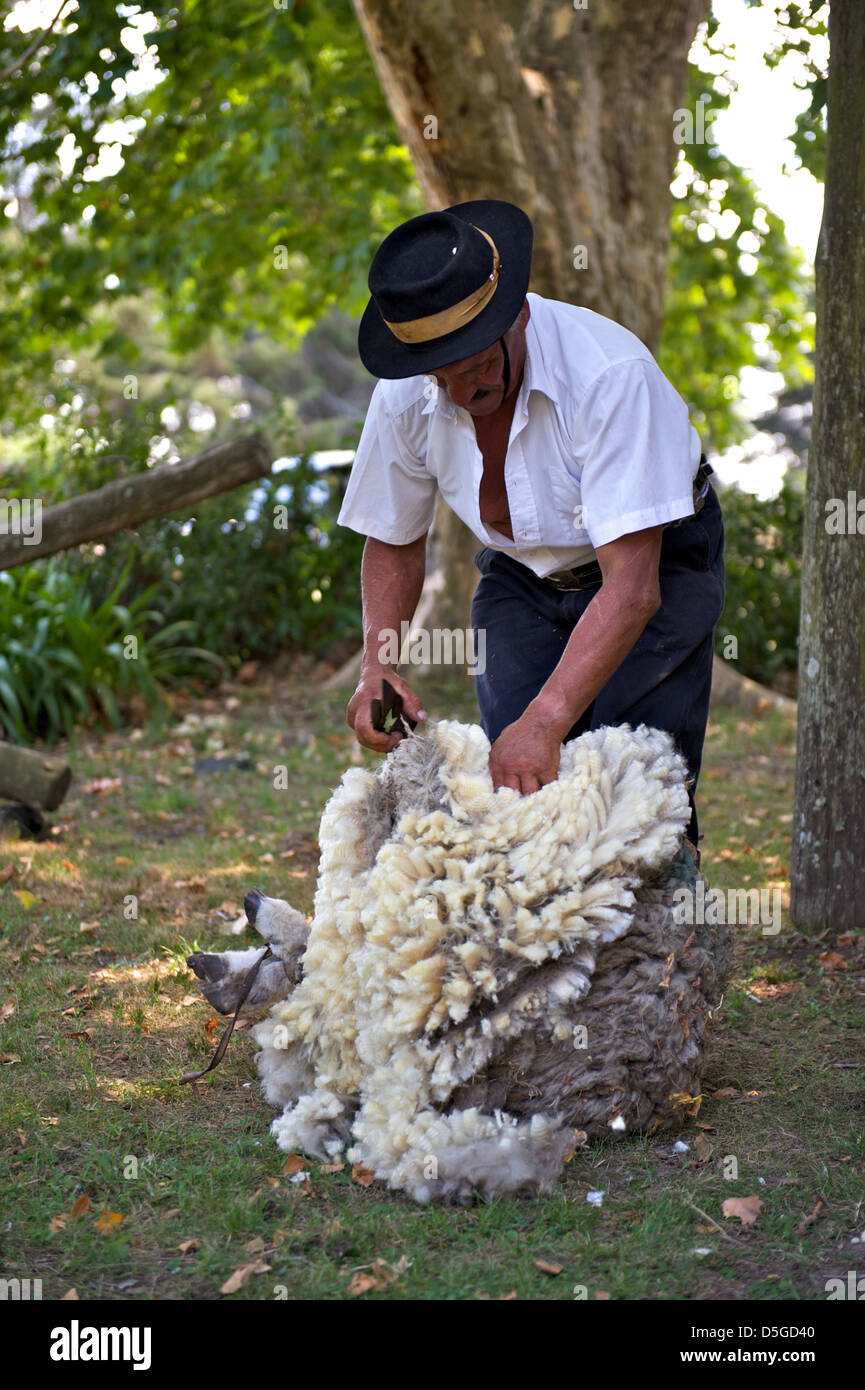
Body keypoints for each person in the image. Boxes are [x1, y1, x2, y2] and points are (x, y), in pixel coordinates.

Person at [339, 199, 724, 855]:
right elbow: (393, 539)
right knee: (521, 788)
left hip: (647, 568)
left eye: (476, 368)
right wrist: (378, 663)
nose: (460, 394)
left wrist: (547, 718)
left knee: (636, 789)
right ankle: (553, 953)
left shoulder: (608, 375)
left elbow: (631, 589)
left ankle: (665, 952)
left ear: (513, 315)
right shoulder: (407, 392)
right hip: (518, 577)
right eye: (441, 377)